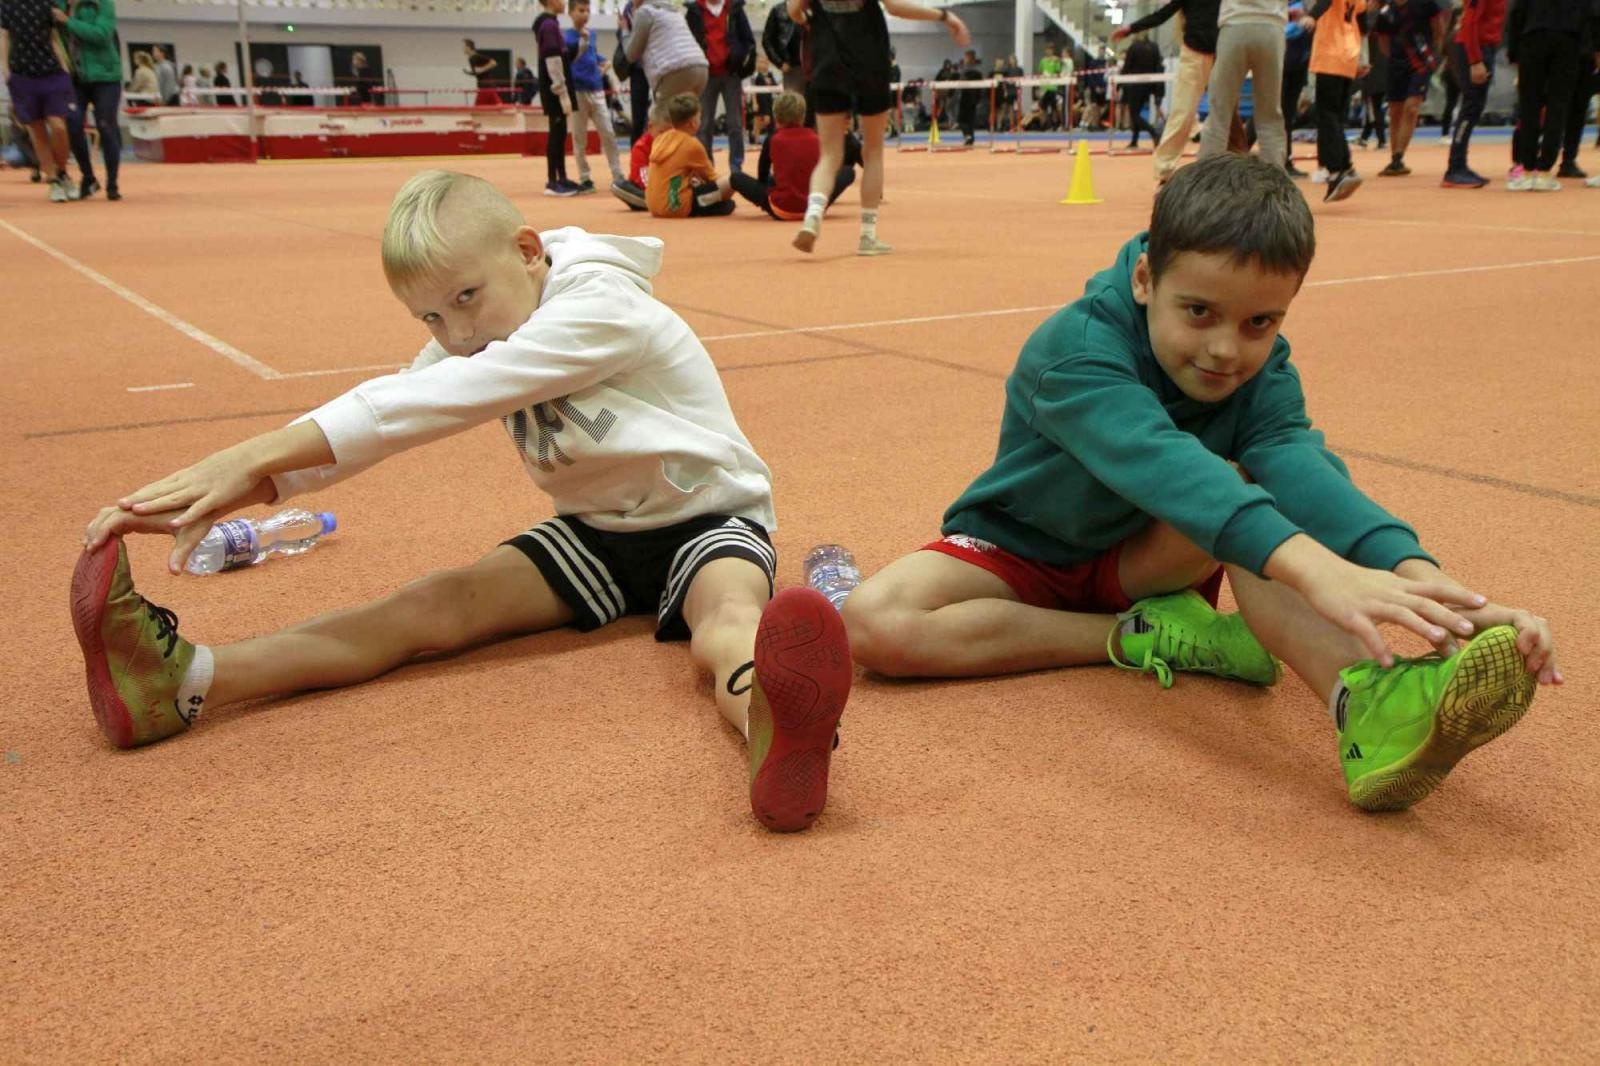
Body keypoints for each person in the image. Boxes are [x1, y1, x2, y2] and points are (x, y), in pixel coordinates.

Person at [74, 170, 853, 834]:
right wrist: (260, 482)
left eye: (467, 298)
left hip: (709, 519)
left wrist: (255, 452)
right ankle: (186, 681)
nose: (456, 333)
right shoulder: (474, 335)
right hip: (594, 534)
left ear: (526, 250)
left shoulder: (601, 307)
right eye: (431, 317)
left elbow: (447, 394)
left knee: (725, 623)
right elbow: (405, 401)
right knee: (427, 607)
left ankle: (774, 725)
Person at [841, 153, 1558, 814]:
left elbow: (1302, 470)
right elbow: (1162, 464)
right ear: (1146, 278)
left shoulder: (1264, 369)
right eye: (1199, 313)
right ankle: (1152, 637)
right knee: (875, 623)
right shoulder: (1076, 350)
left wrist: (1440, 591)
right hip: (1023, 550)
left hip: (1148, 557)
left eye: (1259, 322)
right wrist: (1316, 569)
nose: (1225, 349)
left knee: (1252, 485)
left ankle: (1366, 700)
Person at [787, 0, 969, 257]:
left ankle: (813, 215)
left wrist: (812, 19)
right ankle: (868, 235)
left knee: (829, 154)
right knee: (873, 152)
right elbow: (895, 7)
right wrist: (944, 15)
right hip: (869, 59)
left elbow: (793, 11)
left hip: (828, 59)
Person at [1116, 0, 1225, 182]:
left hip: (1222, 53)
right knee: (1182, 111)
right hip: (1194, 54)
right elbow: (1163, 14)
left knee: (1227, 113)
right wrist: (1131, 28)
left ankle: (1227, 166)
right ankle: (1164, 169)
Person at [730, 89, 856, 217]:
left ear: (776, 116)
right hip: (815, 206)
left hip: (781, 209)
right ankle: (818, 202)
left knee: (735, 177)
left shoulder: (772, 139)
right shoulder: (816, 137)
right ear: (803, 116)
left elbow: (762, 175)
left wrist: (773, 182)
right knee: (848, 172)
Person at [2, 0, 80, 201]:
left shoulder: (47, 3)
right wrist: (7, 70)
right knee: (36, 130)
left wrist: (64, 65)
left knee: (59, 126)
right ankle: (53, 180)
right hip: (22, 74)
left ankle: (62, 171)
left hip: (52, 72)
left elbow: (53, 37)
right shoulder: (6, 5)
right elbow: (5, 37)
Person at [1505, 0, 1586, 190]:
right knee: (1558, 107)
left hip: (1533, 37)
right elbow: (1588, 12)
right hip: (1568, 40)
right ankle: (1544, 172)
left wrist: (1513, 53)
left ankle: (1526, 170)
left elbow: (1517, 12)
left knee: (1529, 106)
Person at [1200, 0, 1290, 167]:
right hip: (1271, 27)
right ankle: (1275, 185)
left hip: (1235, 25)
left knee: (1219, 113)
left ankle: (1206, 182)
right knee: (1270, 116)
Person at [1372, 0, 1449, 177]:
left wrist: (1434, 53)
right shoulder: (1386, 12)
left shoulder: (1426, 4)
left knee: (1411, 107)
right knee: (1395, 111)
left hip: (1421, 63)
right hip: (1396, 65)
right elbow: (1383, 42)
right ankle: (1394, 159)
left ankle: (1399, 157)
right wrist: (1395, 58)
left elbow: (1438, 29)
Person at [56, 0, 122, 200]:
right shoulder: (57, 6)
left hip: (106, 76)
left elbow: (102, 34)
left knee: (106, 126)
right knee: (73, 124)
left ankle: (112, 183)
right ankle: (88, 176)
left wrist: (68, 22)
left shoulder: (102, 4)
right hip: (75, 78)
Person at [685, 0, 757, 173]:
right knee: (704, 125)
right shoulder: (694, 11)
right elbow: (686, 40)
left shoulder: (735, 9)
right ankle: (706, 167)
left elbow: (749, 41)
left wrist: (742, 63)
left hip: (731, 74)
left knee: (735, 123)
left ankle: (736, 166)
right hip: (705, 74)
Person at [1307, 0, 1369, 200]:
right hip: (1348, 55)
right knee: (1336, 117)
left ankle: (1335, 171)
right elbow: (1364, 23)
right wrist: (1362, 57)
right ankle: (1345, 165)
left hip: (1330, 55)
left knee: (1326, 116)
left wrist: (1312, 16)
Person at [565, 0, 626, 192]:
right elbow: (570, 59)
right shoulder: (566, 37)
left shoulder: (592, 34)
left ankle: (618, 175)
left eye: (587, 10)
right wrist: (582, 41)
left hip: (597, 90)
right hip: (577, 91)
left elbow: (591, 55)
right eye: (580, 10)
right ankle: (585, 178)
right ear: (571, 13)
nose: (584, 14)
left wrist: (604, 62)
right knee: (579, 137)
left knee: (608, 133)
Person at [1443, 0, 1506, 187]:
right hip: (1474, 47)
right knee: (1470, 107)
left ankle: (1459, 165)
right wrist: (1475, 60)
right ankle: (1455, 168)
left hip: (1486, 46)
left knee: (1474, 108)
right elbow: (1470, 22)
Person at [646, 91, 736, 216]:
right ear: (693, 122)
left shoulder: (660, 138)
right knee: (731, 184)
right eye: (699, 117)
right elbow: (712, 178)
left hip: (653, 206)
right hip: (675, 206)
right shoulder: (691, 144)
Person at [532, 0, 580, 196]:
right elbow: (552, 61)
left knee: (560, 134)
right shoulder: (549, 25)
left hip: (555, 88)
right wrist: (561, 92)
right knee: (556, 134)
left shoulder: (551, 24)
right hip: (554, 90)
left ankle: (561, 176)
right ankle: (553, 180)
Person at [624, 0, 710, 107]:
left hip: (674, 71)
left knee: (662, 119)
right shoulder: (673, 11)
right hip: (701, 68)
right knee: (688, 117)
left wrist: (625, 31)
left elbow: (631, 55)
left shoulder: (645, 12)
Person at [612, 97, 668, 209]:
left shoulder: (675, 143)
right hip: (646, 188)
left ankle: (657, 203)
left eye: (670, 132)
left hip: (669, 187)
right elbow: (642, 178)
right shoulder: (640, 147)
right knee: (619, 185)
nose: (666, 137)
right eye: (661, 132)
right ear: (650, 127)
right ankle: (654, 202)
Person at [1118, 32, 1165, 149]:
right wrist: (1156, 88)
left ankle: (1153, 132)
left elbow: (1127, 67)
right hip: (1149, 84)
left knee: (1134, 115)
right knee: (1137, 113)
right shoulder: (1154, 47)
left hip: (1135, 85)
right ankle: (1134, 140)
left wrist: (1119, 82)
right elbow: (1157, 66)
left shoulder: (1134, 47)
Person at [463, 38, 501, 106]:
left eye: (464, 47)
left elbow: (494, 62)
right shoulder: (471, 58)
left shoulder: (476, 56)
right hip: (486, 86)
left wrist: (482, 69)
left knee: (477, 111)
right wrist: (469, 72)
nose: (463, 49)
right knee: (499, 107)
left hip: (486, 87)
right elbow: (478, 73)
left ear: (468, 47)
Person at [957, 48, 983, 145]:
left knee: (961, 120)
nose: (964, 59)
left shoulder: (966, 70)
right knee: (970, 120)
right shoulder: (978, 70)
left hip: (966, 97)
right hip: (974, 98)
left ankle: (968, 135)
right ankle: (970, 138)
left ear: (969, 58)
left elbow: (962, 81)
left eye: (965, 57)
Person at [749, 53, 778, 138]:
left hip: (768, 100)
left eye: (764, 62)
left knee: (769, 121)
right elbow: (753, 89)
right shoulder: (755, 76)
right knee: (758, 120)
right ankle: (754, 137)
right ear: (756, 63)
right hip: (759, 100)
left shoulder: (770, 75)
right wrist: (754, 102)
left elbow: (775, 87)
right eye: (760, 62)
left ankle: (768, 137)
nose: (762, 64)